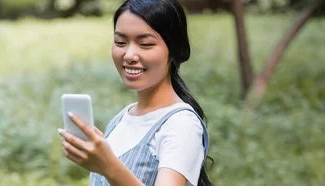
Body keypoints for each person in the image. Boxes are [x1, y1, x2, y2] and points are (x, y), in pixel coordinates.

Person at [57, 0, 213, 186]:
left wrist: (109, 166)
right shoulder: (120, 120)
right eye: (120, 42)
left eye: (145, 44)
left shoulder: (181, 125)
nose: (129, 55)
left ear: (173, 51)